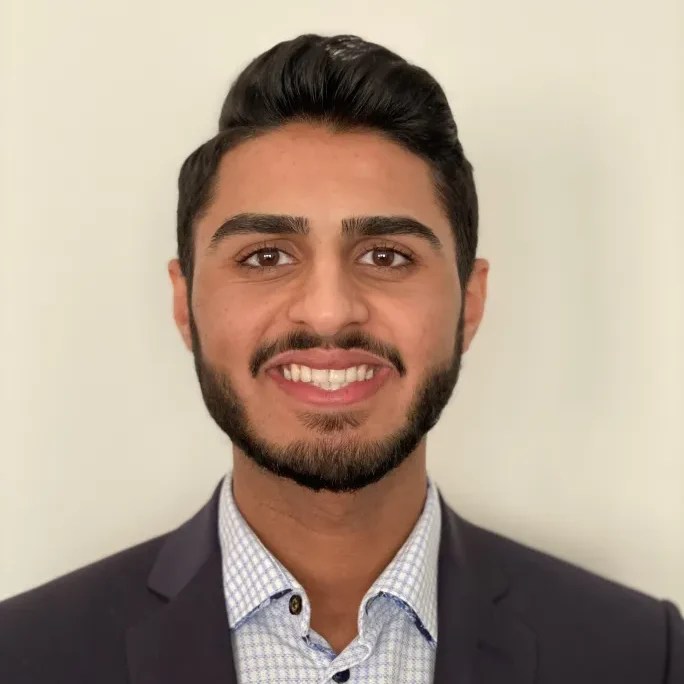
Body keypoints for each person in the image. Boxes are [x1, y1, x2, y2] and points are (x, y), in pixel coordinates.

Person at [0, 33, 682, 684]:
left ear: (469, 303)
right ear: (185, 304)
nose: (328, 313)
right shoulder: (24, 657)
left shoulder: (640, 656)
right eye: (266, 257)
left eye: (386, 256)